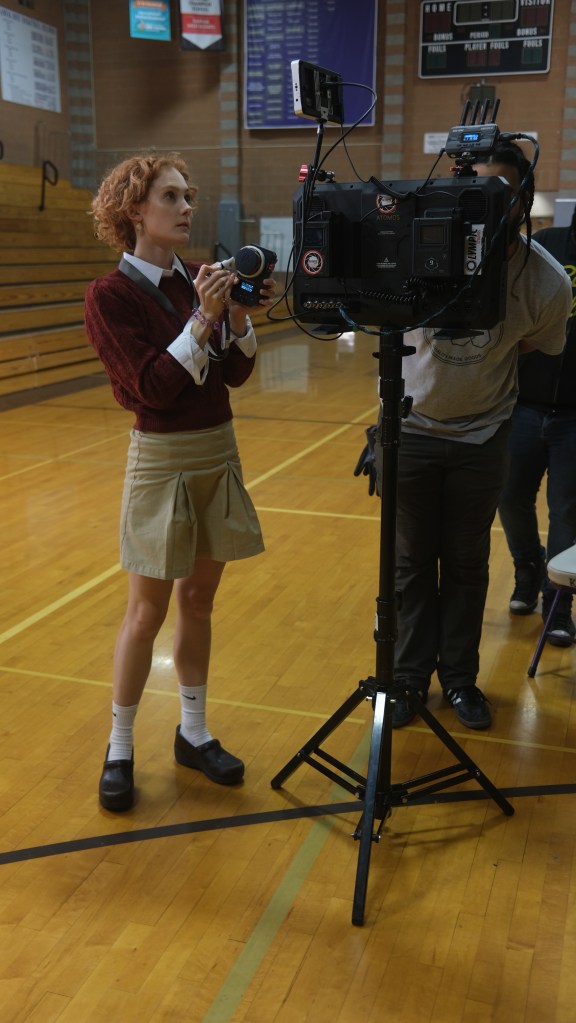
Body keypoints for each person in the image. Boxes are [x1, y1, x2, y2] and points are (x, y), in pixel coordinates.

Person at [357, 141, 571, 731]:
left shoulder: (546, 283)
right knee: (409, 563)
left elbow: (529, 349)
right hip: (410, 430)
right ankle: (407, 680)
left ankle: (459, 679)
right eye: (472, 191)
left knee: (467, 564)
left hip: (483, 437)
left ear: (523, 200)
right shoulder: (411, 251)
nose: (485, 204)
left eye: (500, 193)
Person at [84, 152, 275, 811]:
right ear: (134, 211)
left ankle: (193, 732)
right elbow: (153, 388)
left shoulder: (197, 279)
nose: (187, 206)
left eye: (188, 195)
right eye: (171, 196)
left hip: (217, 449)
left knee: (199, 601)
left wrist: (238, 316)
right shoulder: (109, 296)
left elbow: (233, 376)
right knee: (146, 612)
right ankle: (120, 745)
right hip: (161, 457)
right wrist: (204, 317)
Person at [497, 205, 576, 646]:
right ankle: (528, 567)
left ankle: (558, 605)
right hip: (524, 404)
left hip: (575, 416)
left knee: (567, 511)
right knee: (510, 498)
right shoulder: (546, 246)